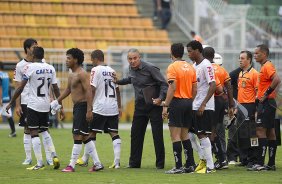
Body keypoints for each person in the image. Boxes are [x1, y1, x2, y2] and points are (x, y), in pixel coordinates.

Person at [6, 46, 62, 170]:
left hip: (33, 105)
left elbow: (20, 87)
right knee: (45, 130)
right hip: (45, 104)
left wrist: (12, 102)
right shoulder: (50, 68)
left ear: (33, 56)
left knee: (33, 132)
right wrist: (60, 105)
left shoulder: (29, 67)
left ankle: (39, 163)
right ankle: (54, 156)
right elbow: (56, 88)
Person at [114, 48, 167, 169]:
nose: (132, 61)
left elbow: (164, 84)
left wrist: (160, 98)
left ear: (140, 57)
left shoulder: (150, 68)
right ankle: (134, 163)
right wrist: (118, 81)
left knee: (157, 135)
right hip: (139, 106)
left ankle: (160, 164)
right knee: (135, 134)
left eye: (134, 58)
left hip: (154, 105)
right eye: (130, 59)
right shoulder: (130, 69)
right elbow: (130, 79)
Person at [53, 48, 103, 172]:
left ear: (75, 60)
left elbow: (89, 91)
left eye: (69, 58)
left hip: (82, 107)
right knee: (85, 136)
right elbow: (68, 90)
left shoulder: (82, 73)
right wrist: (57, 101)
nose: (66, 60)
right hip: (77, 107)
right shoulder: (71, 74)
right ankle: (98, 164)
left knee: (77, 135)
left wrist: (89, 110)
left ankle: (71, 165)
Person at [154, 43, 196, 174]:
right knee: (185, 134)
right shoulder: (190, 67)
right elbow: (195, 88)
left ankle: (178, 167)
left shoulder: (172, 67)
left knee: (175, 135)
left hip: (177, 103)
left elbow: (172, 87)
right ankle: (190, 164)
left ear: (171, 52)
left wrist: (166, 104)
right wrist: (190, 101)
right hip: (189, 102)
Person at [77, 50, 122, 169]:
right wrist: (119, 107)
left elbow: (92, 89)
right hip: (112, 107)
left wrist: (89, 108)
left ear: (95, 58)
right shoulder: (112, 70)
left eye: (91, 60)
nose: (91, 62)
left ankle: (86, 159)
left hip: (100, 107)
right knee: (114, 133)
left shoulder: (95, 70)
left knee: (91, 133)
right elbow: (117, 90)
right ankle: (117, 162)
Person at [13, 38, 55, 166]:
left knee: (44, 129)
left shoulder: (43, 63)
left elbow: (50, 84)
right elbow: (17, 86)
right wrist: (18, 104)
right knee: (27, 129)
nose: (36, 47)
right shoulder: (20, 65)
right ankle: (28, 157)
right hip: (26, 100)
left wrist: (51, 97)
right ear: (27, 49)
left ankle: (48, 157)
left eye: (37, 45)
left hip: (40, 100)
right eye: (33, 46)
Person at [248, 44, 281, 171]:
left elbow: (277, 79)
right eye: (254, 53)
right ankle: (271, 163)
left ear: (264, 54)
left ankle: (260, 163)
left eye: (257, 53)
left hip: (267, 102)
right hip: (268, 102)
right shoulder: (264, 66)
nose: (255, 55)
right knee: (270, 131)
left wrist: (266, 94)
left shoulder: (267, 66)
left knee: (260, 130)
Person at [186, 40, 216, 173]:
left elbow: (213, 85)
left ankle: (210, 166)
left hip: (204, 106)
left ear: (198, 50)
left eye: (190, 51)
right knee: (191, 134)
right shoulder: (194, 65)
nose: (188, 54)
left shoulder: (206, 65)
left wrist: (203, 104)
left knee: (202, 134)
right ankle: (202, 161)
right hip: (194, 105)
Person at [202, 47, 234, 170]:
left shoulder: (206, 68)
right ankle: (221, 159)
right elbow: (229, 87)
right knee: (217, 130)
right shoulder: (222, 69)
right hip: (222, 102)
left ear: (204, 56)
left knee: (210, 131)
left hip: (212, 101)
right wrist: (231, 105)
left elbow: (216, 87)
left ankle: (220, 159)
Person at [236, 50, 258, 168]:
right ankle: (244, 158)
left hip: (250, 106)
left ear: (249, 60)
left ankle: (253, 159)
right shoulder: (241, 73)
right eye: (240, 58)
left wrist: (256, 109)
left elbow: (257, 92)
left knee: (251, 133)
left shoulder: (254, 73)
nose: (240, 60)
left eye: (243, 58)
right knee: (242, 134)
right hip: (241, 107)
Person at [0, 63, 16, 137]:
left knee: (8, 115)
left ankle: (13, 132)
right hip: (7, 98)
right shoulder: (6, 74)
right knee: (9, 115)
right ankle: (13, 132)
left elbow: (0, 87)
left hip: (1, 99)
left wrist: (0, 98)